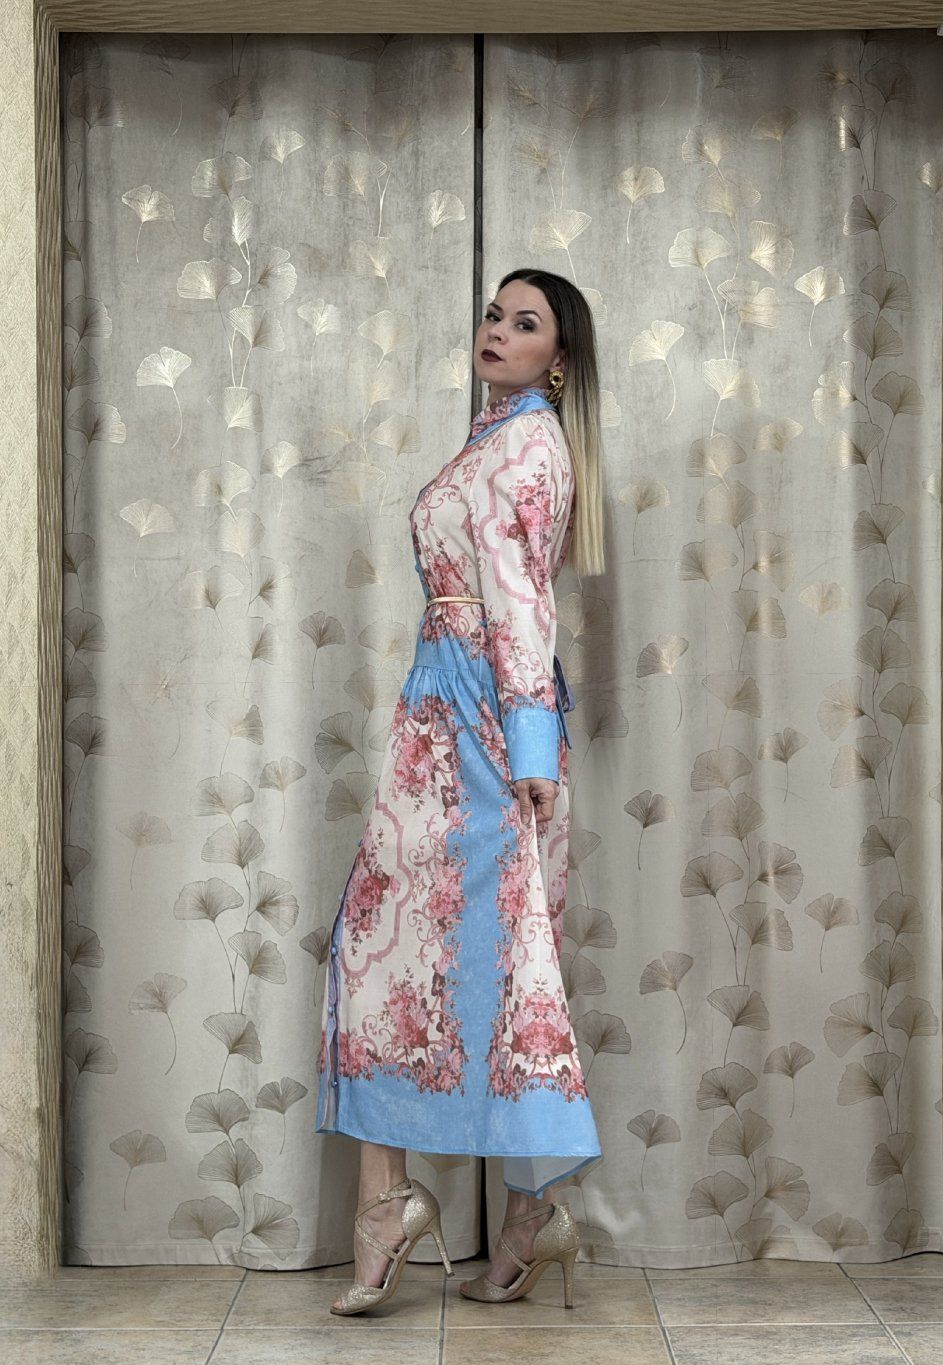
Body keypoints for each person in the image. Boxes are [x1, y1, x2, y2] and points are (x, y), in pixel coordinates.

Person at [316, 267, 606, 1315]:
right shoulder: (491, 438)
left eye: (525, 323)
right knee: (392, 948)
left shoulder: (530, 449)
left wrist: (528, 750)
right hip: (440, 718)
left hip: (486, 733)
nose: (498, 330)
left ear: (557, 360)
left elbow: (524, 604)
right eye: (493, 313)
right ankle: (442, 1207)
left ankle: (483, 1213)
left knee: (495, 964)